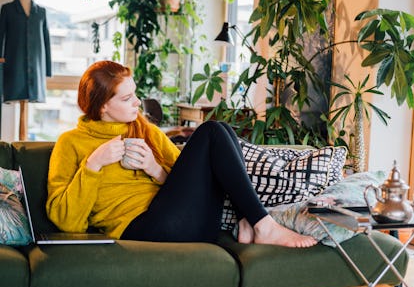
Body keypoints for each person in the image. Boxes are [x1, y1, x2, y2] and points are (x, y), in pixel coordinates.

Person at [46, 60, 317, 248]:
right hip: (143, 232)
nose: (138, 102)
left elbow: (193, 182)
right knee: (211, 131)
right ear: (103, 106)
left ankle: (250, 221)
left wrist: (155, 169)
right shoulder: (70, 143)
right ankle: (262, 225)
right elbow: (66, 222)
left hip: (188, 224)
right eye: (127, 98)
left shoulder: (146, 131)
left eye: (136, 94)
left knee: (220, 129)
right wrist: (93, 164)